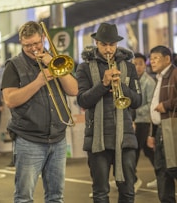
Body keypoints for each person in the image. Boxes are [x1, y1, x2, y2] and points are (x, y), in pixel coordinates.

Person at [1, 21, 78, 202]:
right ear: (21, 42)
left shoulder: (54, 59)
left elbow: (74, 90)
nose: (33, 48)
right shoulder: (14, 65)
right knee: (24, 197)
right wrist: (38, 82)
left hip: (58, 139)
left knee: (56, 197)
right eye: (27, 45)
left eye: (36, 43)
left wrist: (52, 63)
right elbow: (10, 100)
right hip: (29, 140)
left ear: (43, 38)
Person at [76, 22, 142, 203]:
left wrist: (122, 87)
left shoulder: (128, 67)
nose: (108, 49)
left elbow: (137, 101)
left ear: (117, 44)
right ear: (97, 43)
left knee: (128, 191)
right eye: (104, 44)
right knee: (100, 192)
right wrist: (103, 84)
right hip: (97, 137)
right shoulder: (84, 68)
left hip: (125, 138)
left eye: (112, 45)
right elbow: (82, 100)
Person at [148, 45, 177, 203]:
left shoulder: (175, 74)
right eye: (150, 59)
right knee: (161, 171)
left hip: (173, 130)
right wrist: (151, 134)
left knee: (173, 168)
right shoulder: (158, 78)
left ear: (167, 59)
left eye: (156, 58)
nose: (152, 62)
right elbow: (153, 108)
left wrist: (166, 105)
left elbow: (162, 105)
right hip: (160, 131)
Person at [132, 53, 156, 190]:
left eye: (140, 63)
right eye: (135, 63)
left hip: (145, 122)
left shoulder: (149, 82)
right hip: (134, 121)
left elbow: (151, 104)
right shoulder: (131, 81)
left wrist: (134, 111)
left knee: (136, 151)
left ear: (145, 65)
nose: (137, 67)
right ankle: (162, 176)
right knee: (147, 151)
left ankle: (133, 180)